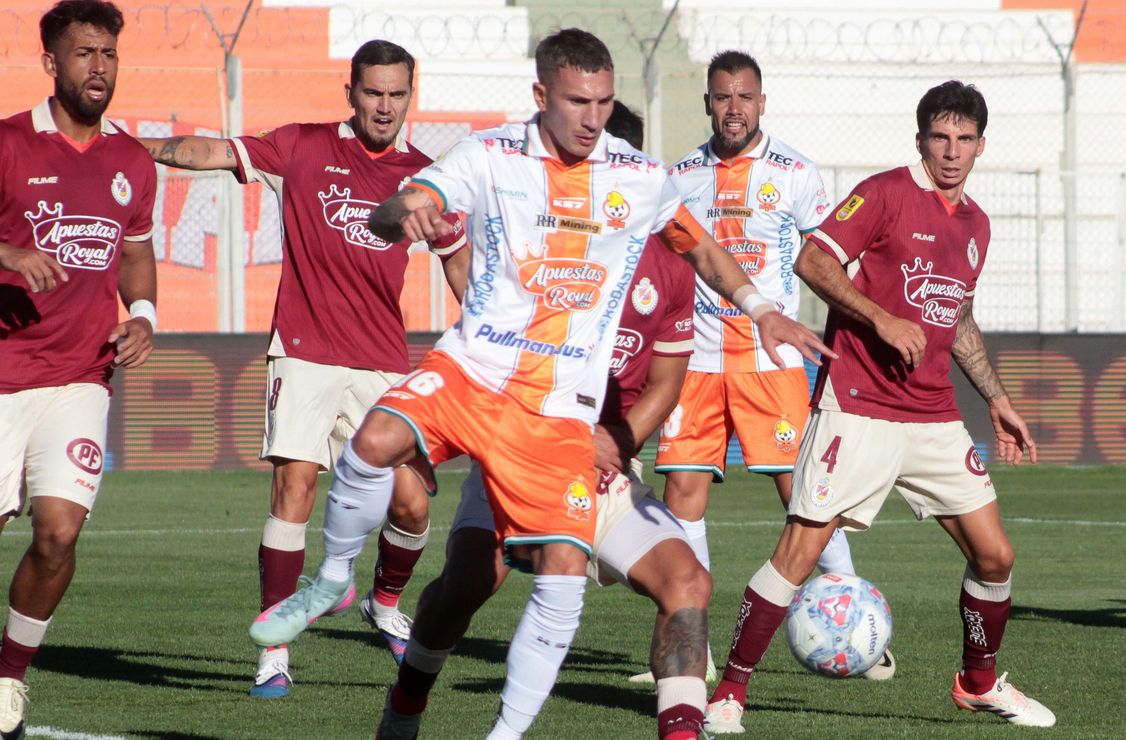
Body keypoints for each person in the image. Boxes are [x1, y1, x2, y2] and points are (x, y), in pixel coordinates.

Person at [248, 28, 831, 740]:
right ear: (541, 97)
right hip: (475, 373)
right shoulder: (492, 155)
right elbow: (393, 205)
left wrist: (761, 310)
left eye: (604, 103)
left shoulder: (641, 184)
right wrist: (407, 213)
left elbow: (700, 256)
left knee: (576, 574)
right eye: (578, 102)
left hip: (558, 421)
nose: (593, 118)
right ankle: (338, 585)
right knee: (379, 448)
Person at [703, 80, 1056, 733]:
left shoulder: (977, 223)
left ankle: (978, 685)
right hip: (857, 406)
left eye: (964, 139)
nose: (951, 151)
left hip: (934, 414)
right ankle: (728, 693)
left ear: (981, 145)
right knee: (800, 553)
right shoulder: (887, 192)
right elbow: (814, 260)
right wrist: (879, 318)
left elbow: (960, 317)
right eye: (939, 137)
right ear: (920, 138)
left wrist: (998, 399)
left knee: (995, 556)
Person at [372, 101, 712, 740]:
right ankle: (407, 703)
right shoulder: (541, 236)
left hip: (603, 464)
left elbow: (666, 382)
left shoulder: (671, 265)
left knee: (687, 580)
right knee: (468, 583)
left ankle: (683, 731)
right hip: (518, 438)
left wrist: (618, 438)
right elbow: (481, 327)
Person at [138, 40, 462, 698]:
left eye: (397, 93)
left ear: (411, 95)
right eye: (373, 91)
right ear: (351, 91)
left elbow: (459, 258)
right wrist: (133, 149)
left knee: (413, 503)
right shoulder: (304, 146)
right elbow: (213, 152)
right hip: (305, 349)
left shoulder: (424, 177)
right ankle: (274, 651)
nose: (385, 105)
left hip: (382, 361)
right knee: (294, 490)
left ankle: (383, 601)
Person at [650, 49, 891, 683]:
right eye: (723, 96)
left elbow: (832, 263)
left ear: (763, 102)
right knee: (683, 494)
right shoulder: (677, 179)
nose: (734, 108)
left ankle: (857, 617)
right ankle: (691, 649)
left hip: (772, 359)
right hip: (695, 363)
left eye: (745, 97)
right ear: (707, 102)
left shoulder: (796, 173)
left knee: (805, 492)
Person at [0, 1, 158, 735]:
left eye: (109, 55)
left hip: (80, 377)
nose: (100, 68)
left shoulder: (130, 161)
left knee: (59, 532)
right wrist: (8, 255)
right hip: (2, 375)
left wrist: (145, 316)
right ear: (51, 64)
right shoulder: (7, 144)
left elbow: (133, 251)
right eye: (85, 54)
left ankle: (8, 680)